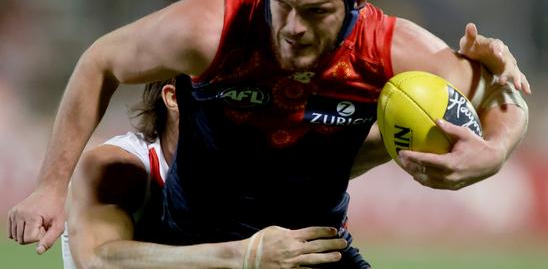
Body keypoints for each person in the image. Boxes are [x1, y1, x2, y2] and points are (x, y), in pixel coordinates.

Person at [9, 0, 529, 268]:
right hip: (196, 246)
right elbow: (100, 59)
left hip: (312, 252)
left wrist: (493, 153)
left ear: (358, 2)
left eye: (316, 11)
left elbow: (505, 97)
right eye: (283, 3)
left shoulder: (393, 50)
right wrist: (50, 185)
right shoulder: (211, 30)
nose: (293, 27)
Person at [63, 80, 348, 269]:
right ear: (173, 97)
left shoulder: (242, 166)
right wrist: (245, 255)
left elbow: (352, 152)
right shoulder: (116, 166)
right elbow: (98, 259)